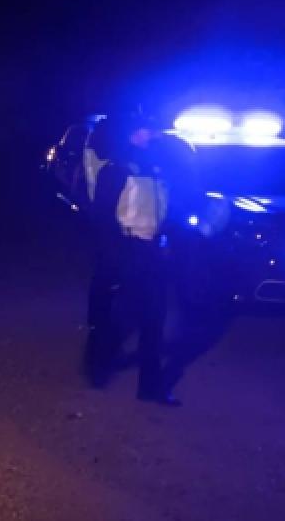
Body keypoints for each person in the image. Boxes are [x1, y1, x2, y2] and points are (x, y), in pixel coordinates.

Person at [83, 111, 181, 406]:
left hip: (151, 250)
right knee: (116, 316)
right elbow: (101, 217)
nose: (152, 135)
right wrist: (113, 256)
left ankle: (150, 387)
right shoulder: (116, 169)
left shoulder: (155, 168)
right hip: (125, 249)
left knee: (153, 318)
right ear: (132, 134)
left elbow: (162, 209)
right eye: (146, 130)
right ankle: (96, 369)